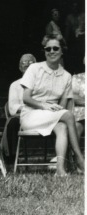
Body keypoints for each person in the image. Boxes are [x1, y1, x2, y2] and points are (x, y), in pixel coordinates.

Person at [16, 36, 84, 175]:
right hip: (30, 115)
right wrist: (44, 105)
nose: (51, 51)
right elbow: (26, 98)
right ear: (45, 51)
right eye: (48, 49)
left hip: (51, 115)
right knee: (68, 115)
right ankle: (79, 159)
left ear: (62, 51)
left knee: (62, 126)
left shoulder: (66, 76)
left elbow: (63, 106)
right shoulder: (34, 68)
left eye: (55, 48)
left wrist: (57, 110)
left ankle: (60, 169)